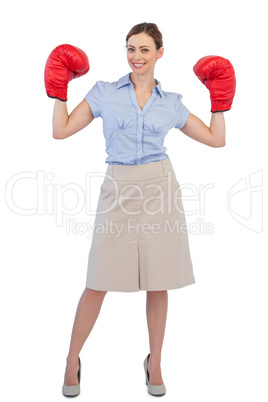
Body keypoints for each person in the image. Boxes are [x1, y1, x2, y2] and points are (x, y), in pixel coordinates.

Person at [44, 22, 236, 397]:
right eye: (131, 48)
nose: (136, 56)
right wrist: (58, 90)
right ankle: (71, 359)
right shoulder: (103, 93)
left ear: (159, 53)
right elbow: (61, 130)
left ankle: (156, 362)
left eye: (145, 49)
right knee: (97, 281)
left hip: (160, 188)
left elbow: (217, 140)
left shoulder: (172, 103)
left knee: (157, 281)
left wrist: (219, 99)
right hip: (117, 188)